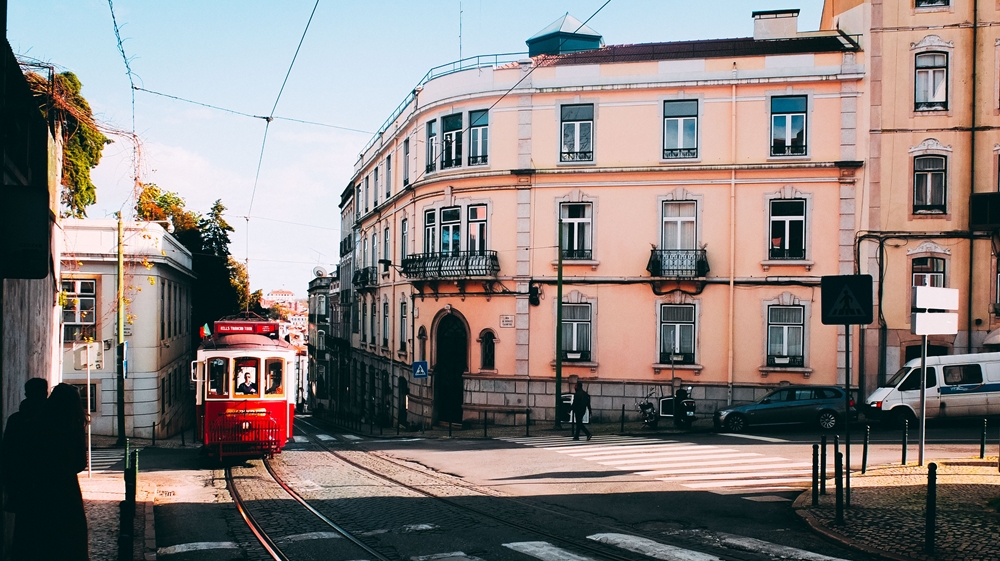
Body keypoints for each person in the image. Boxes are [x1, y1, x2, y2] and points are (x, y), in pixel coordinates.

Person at [14, 383, 88, 560]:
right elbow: (80, 463)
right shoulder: (73, 427)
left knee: (37, 542)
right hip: (66, 491)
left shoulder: (32, 426)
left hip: (36, 491)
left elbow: (22, 460)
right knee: (68, 543)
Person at [2, 378, 48, 555]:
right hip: (46, 486)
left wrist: (10, 485)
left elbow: (7, 453)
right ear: (45, 393)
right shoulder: (51, 419)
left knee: (23, 530)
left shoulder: (16, 420)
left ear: (26, 393)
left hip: (22, 484)